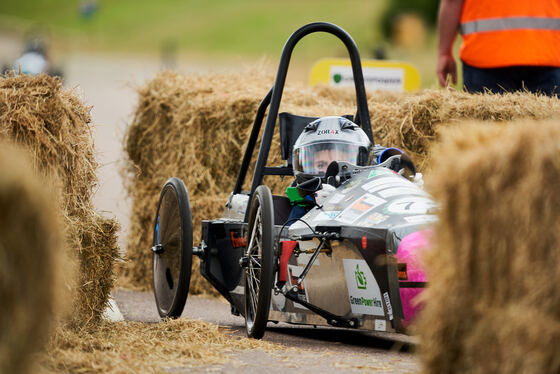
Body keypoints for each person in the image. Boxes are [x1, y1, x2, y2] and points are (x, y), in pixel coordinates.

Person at [286, 116, 414, 222]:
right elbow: (289, 241)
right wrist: (320, 211)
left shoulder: (375, 196)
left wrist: (407, 192)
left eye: (343, 164)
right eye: (320, 165)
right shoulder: (301, 208)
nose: (330, 172)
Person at [437, 0, 560, 96]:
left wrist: (444, 52)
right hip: (548, 55)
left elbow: (452, 1)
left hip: (484, 58)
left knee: (483, 128)